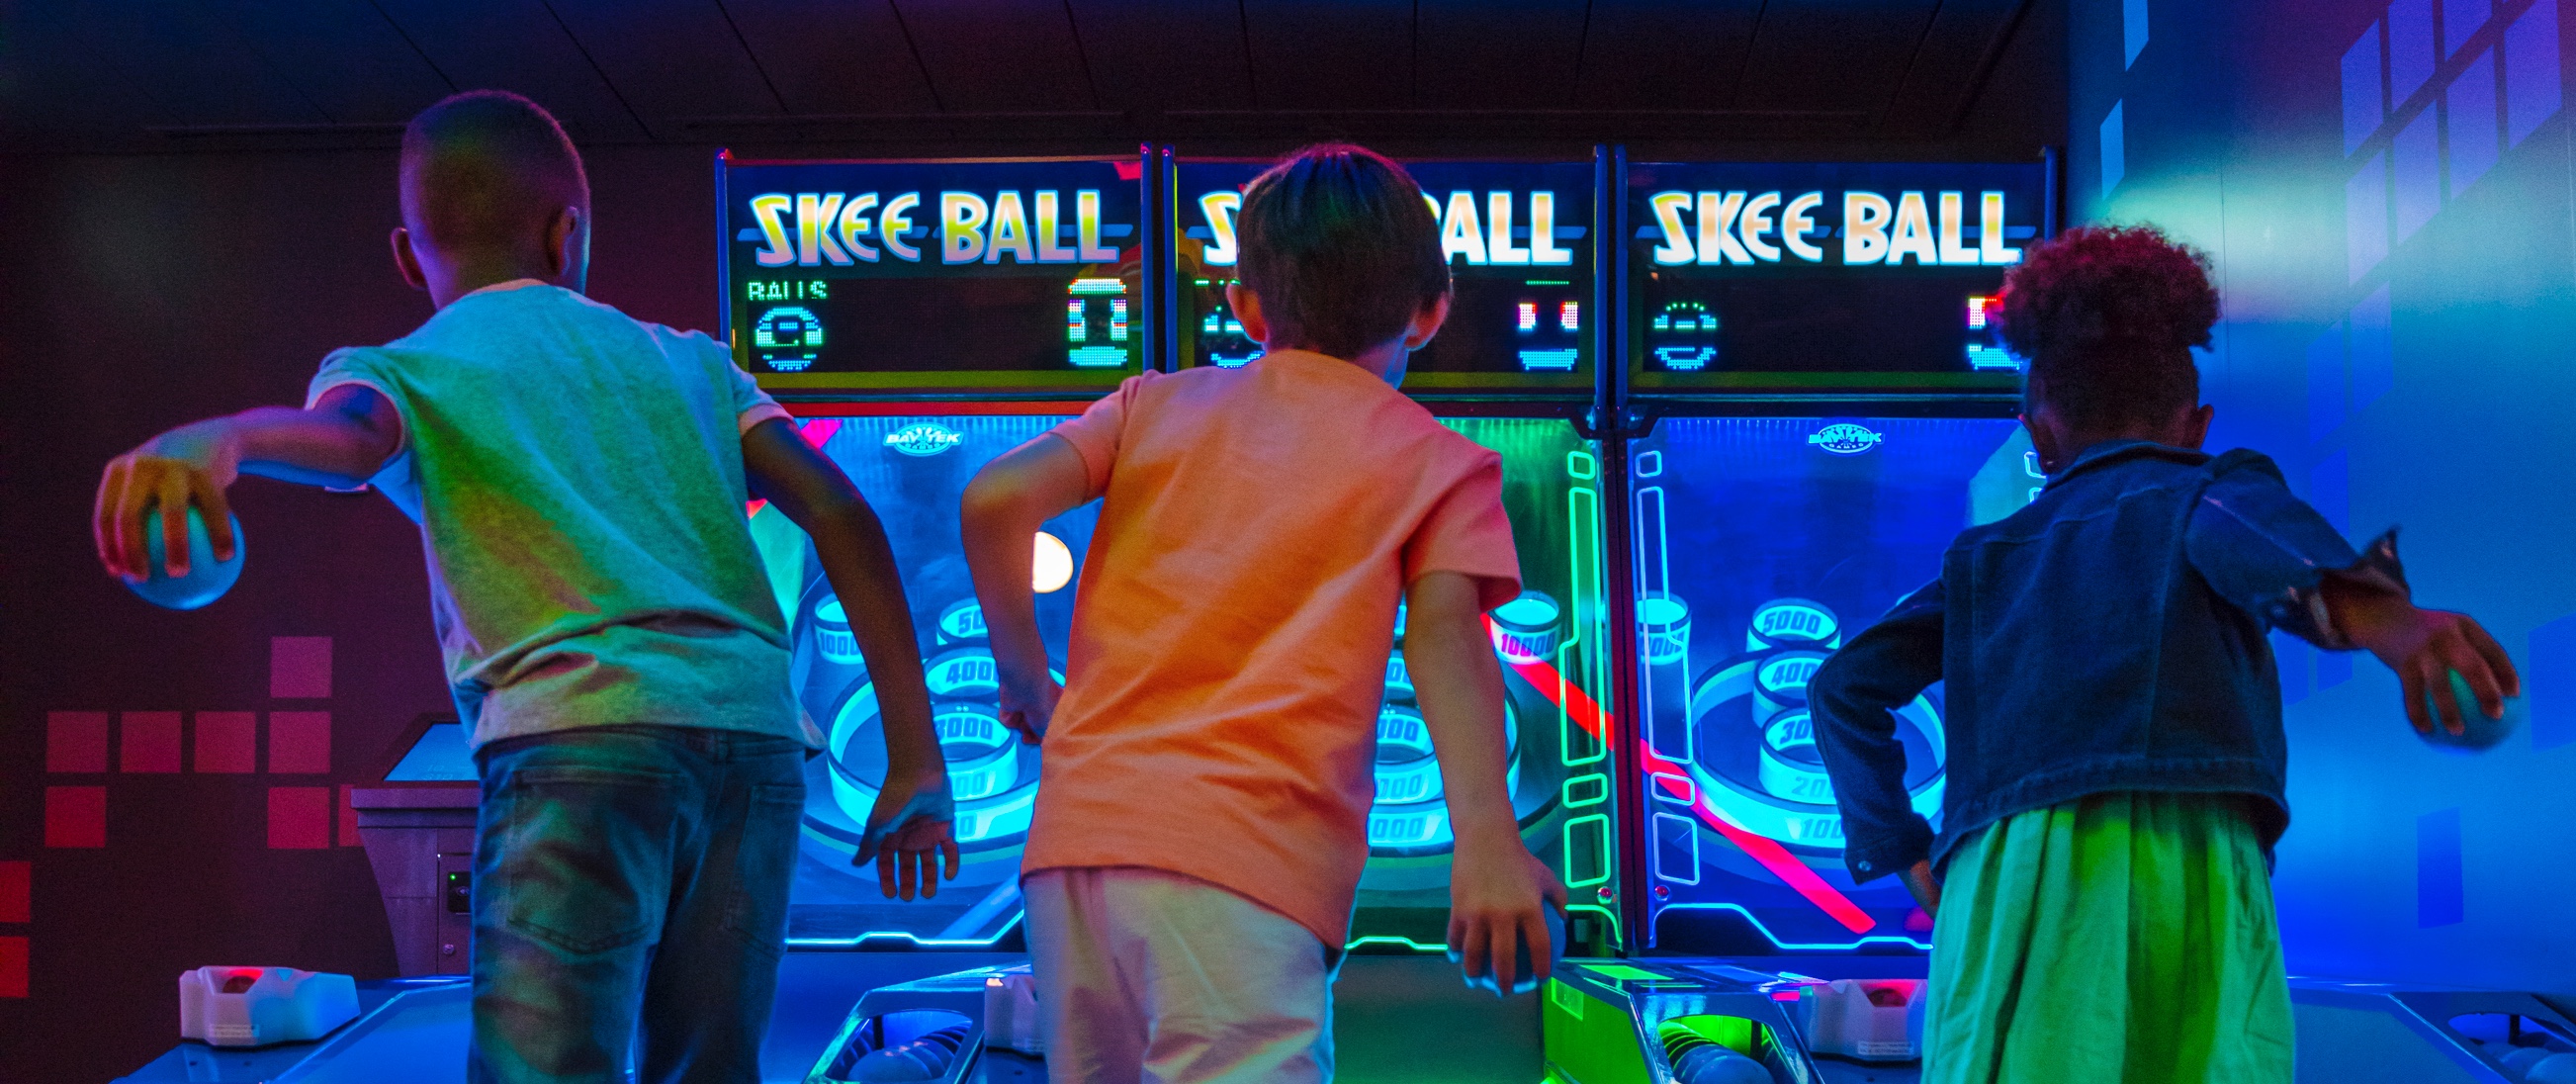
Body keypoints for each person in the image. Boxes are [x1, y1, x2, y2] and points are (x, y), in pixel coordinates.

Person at [89, 91, 959, 1084]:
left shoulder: (401, 366)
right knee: (713, 1070)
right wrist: (916, 760)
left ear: (410, 258)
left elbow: (345, 444)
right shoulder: (695, 364)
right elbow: (843, 512)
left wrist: (221, 440)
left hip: (580, 749)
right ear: (568, 233)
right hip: (751, 756)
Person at [1811, 225, 2518, 1084]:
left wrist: (1898, 846)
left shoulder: (1983, 560)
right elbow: (2253, 540)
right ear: (2197, 426)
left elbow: (1843, 686)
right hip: (2178, 850)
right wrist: (2391, 625)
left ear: (2039, 438)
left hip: (2000, 874)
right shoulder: (2206, 489)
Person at [958, 144, 1563, 1084]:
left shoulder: (1149, 404)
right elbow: (1448, 644)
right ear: (1433, 308)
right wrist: (1488, 838)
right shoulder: (1440, 463)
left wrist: (1026, 677)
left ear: (1244, 307)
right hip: (1241, 865)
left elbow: (994, 500)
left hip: (1073, 856)